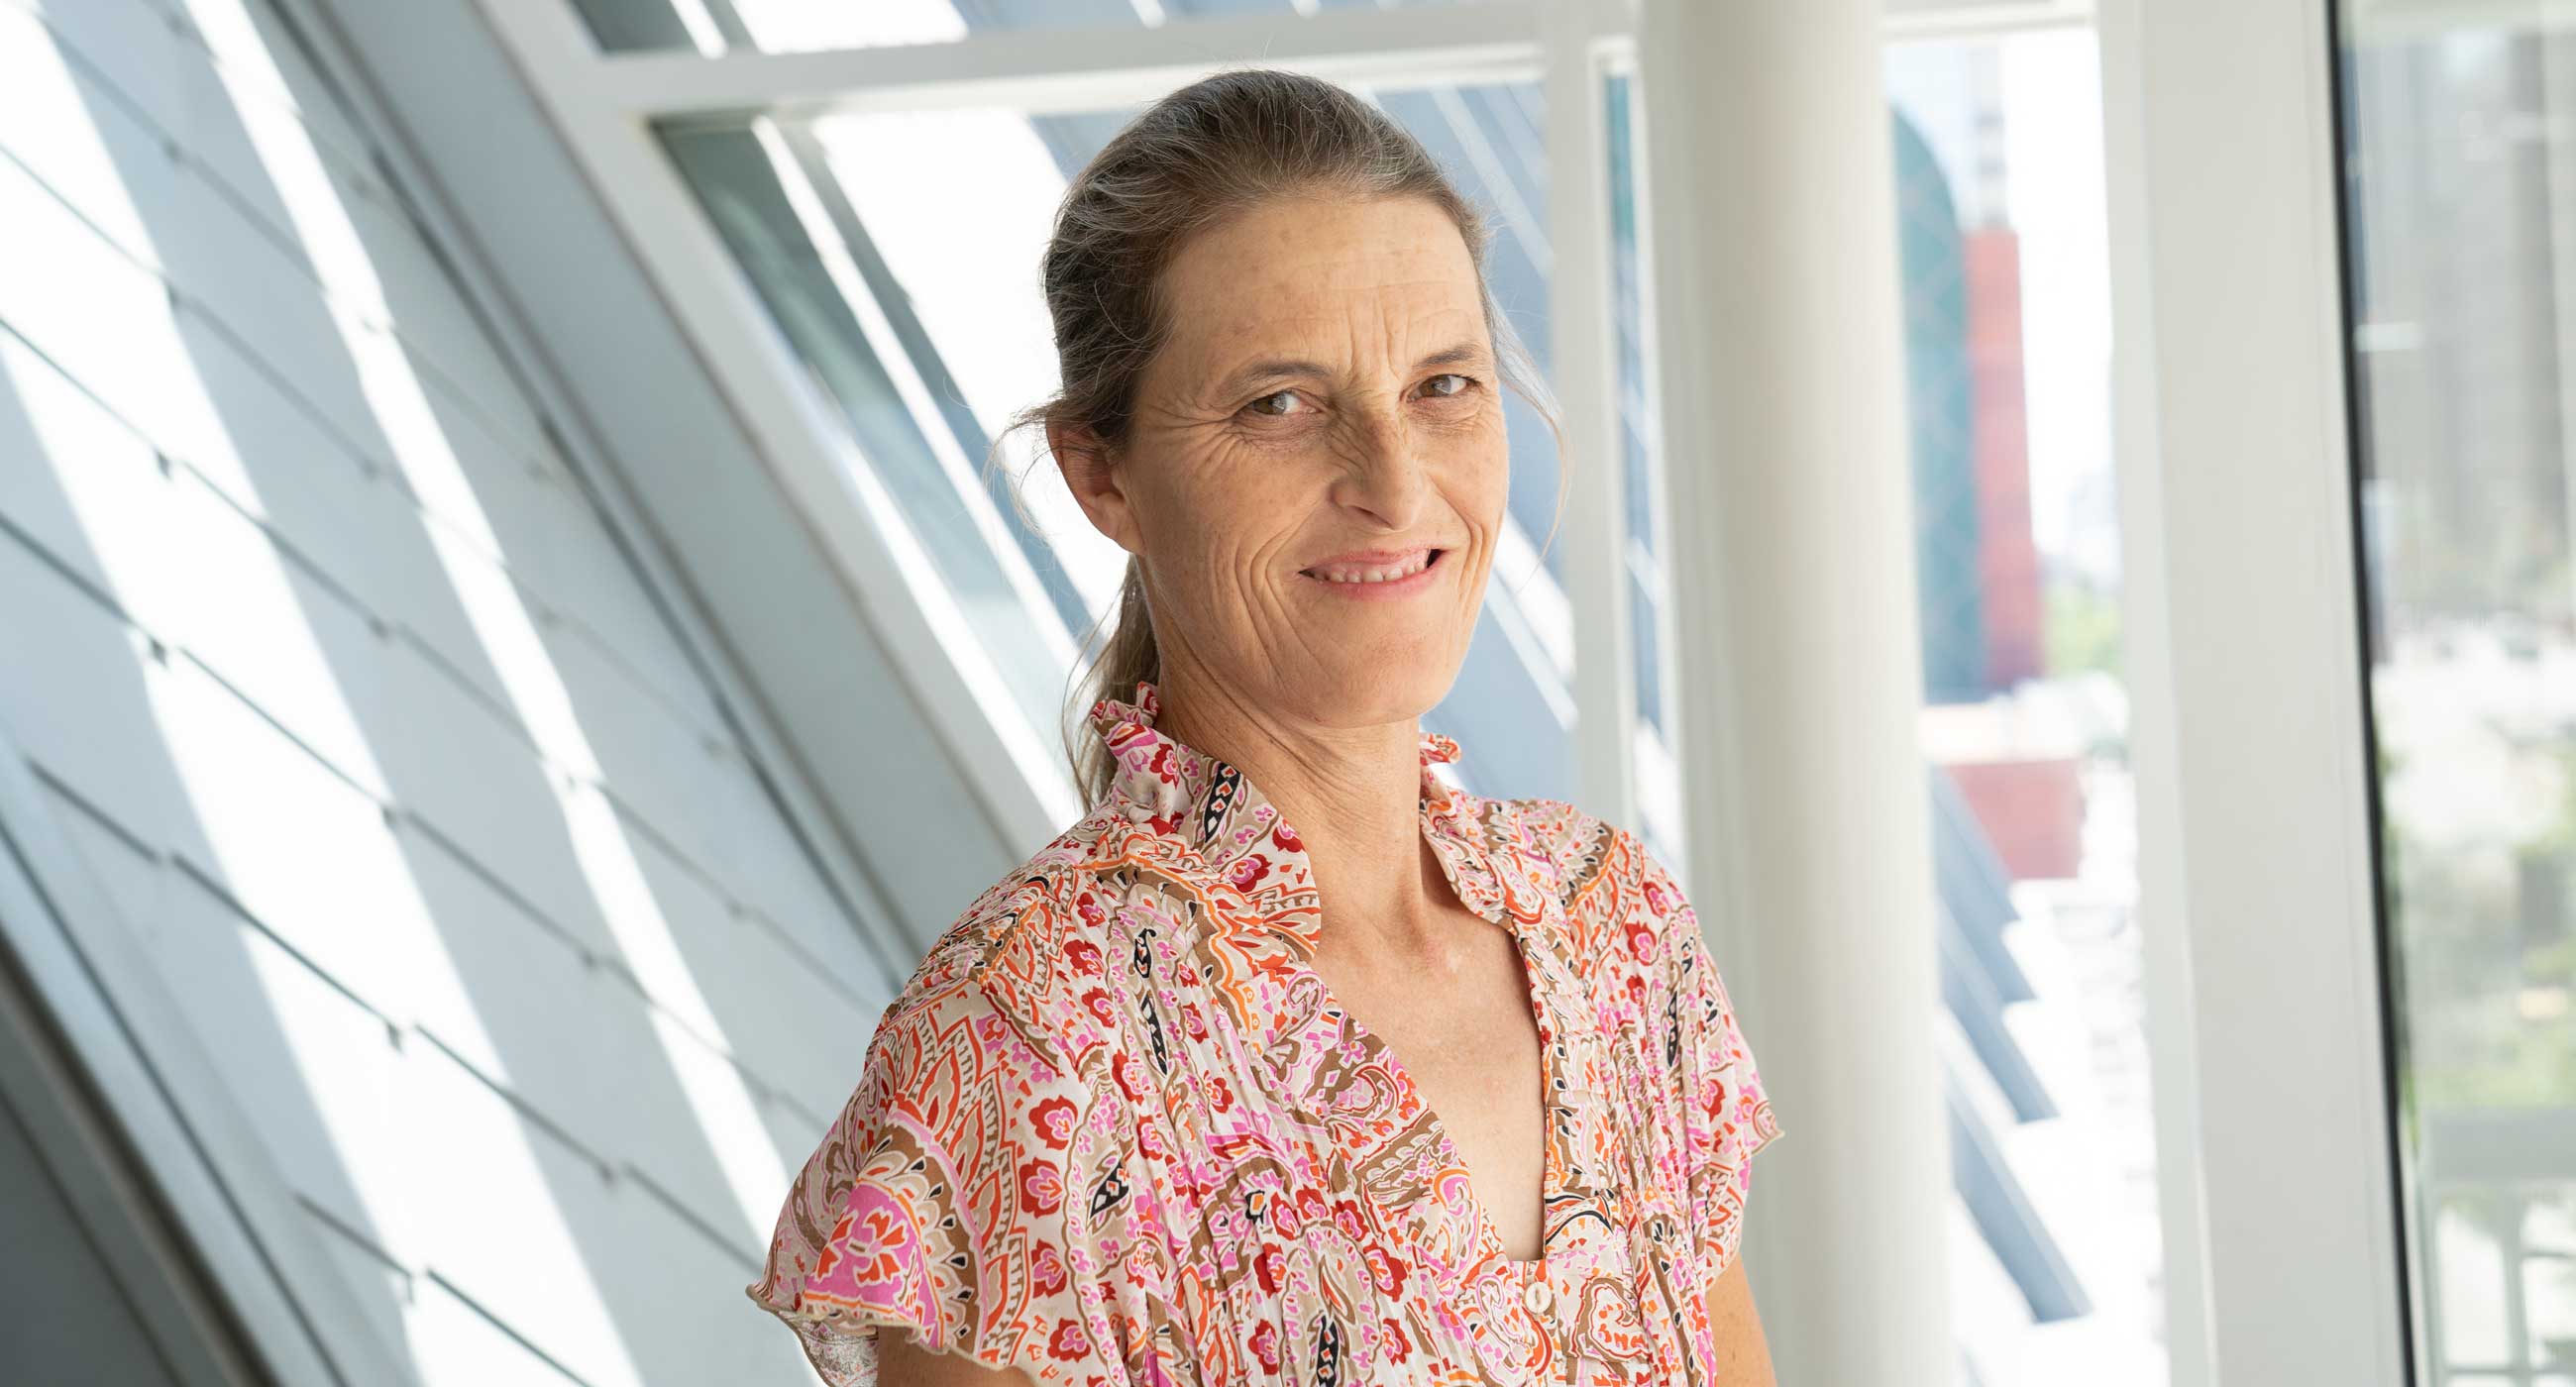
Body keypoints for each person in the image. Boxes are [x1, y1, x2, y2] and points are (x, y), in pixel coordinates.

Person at [745, 66, 1782, 1387]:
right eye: (1280, 405)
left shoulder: (1614, 931)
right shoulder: (1032, 1039)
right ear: (1102, 475)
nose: (1394, 481)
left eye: (1444, 386)